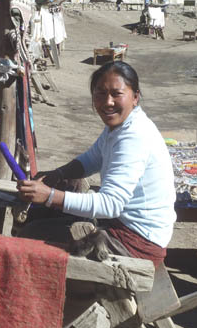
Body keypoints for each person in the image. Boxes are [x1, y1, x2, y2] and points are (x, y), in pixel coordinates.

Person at [16, 61, 176, 266]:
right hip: (125, 226)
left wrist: (49, 196)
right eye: (100, 94)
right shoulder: (119, 127)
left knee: (32, 234)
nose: (107, 102)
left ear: (135, 97)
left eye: (116, 94)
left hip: (138, 241)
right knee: (50, 214)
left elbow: (111, 204)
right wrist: (57, 174)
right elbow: (91, 159)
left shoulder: (134, 136)